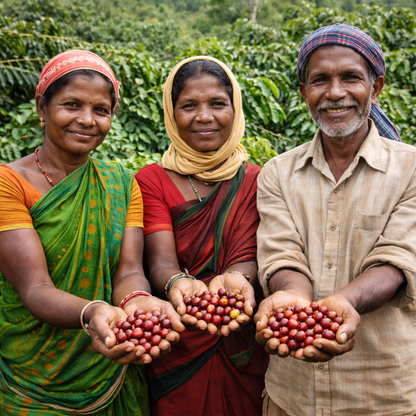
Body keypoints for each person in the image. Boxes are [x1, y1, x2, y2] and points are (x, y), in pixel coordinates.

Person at [0, 50, 184, 416]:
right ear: (42, 107)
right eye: (71, 105)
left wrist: (134, 301)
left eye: (101, 110)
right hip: (33, 380)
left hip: (111, 371)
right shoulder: (9, 183)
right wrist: (93, 311)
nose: (87, 120)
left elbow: (129, 270)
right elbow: (35, 288)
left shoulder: (120, 183)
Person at [255, 24, 416, 415]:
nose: (335, 92)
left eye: (350, 78)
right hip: (292, 394)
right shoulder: (277, 172)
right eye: (319, 80)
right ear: (304, 93)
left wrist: (344, 302)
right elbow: (282, 254)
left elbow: (398, 259)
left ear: (375, 88)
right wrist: (291, 296)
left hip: (384, 394)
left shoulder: (411, 168)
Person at [135, 56, 268, 416]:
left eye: (217, 104)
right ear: (171, 112)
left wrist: (238, 278)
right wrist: (179, 281)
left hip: (242, 343)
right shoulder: (152, 180)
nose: (204, 116)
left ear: (235, 108)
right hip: (178, 342)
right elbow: (161, 260)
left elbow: (252, 251)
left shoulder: (259, 179)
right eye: (188, 106)